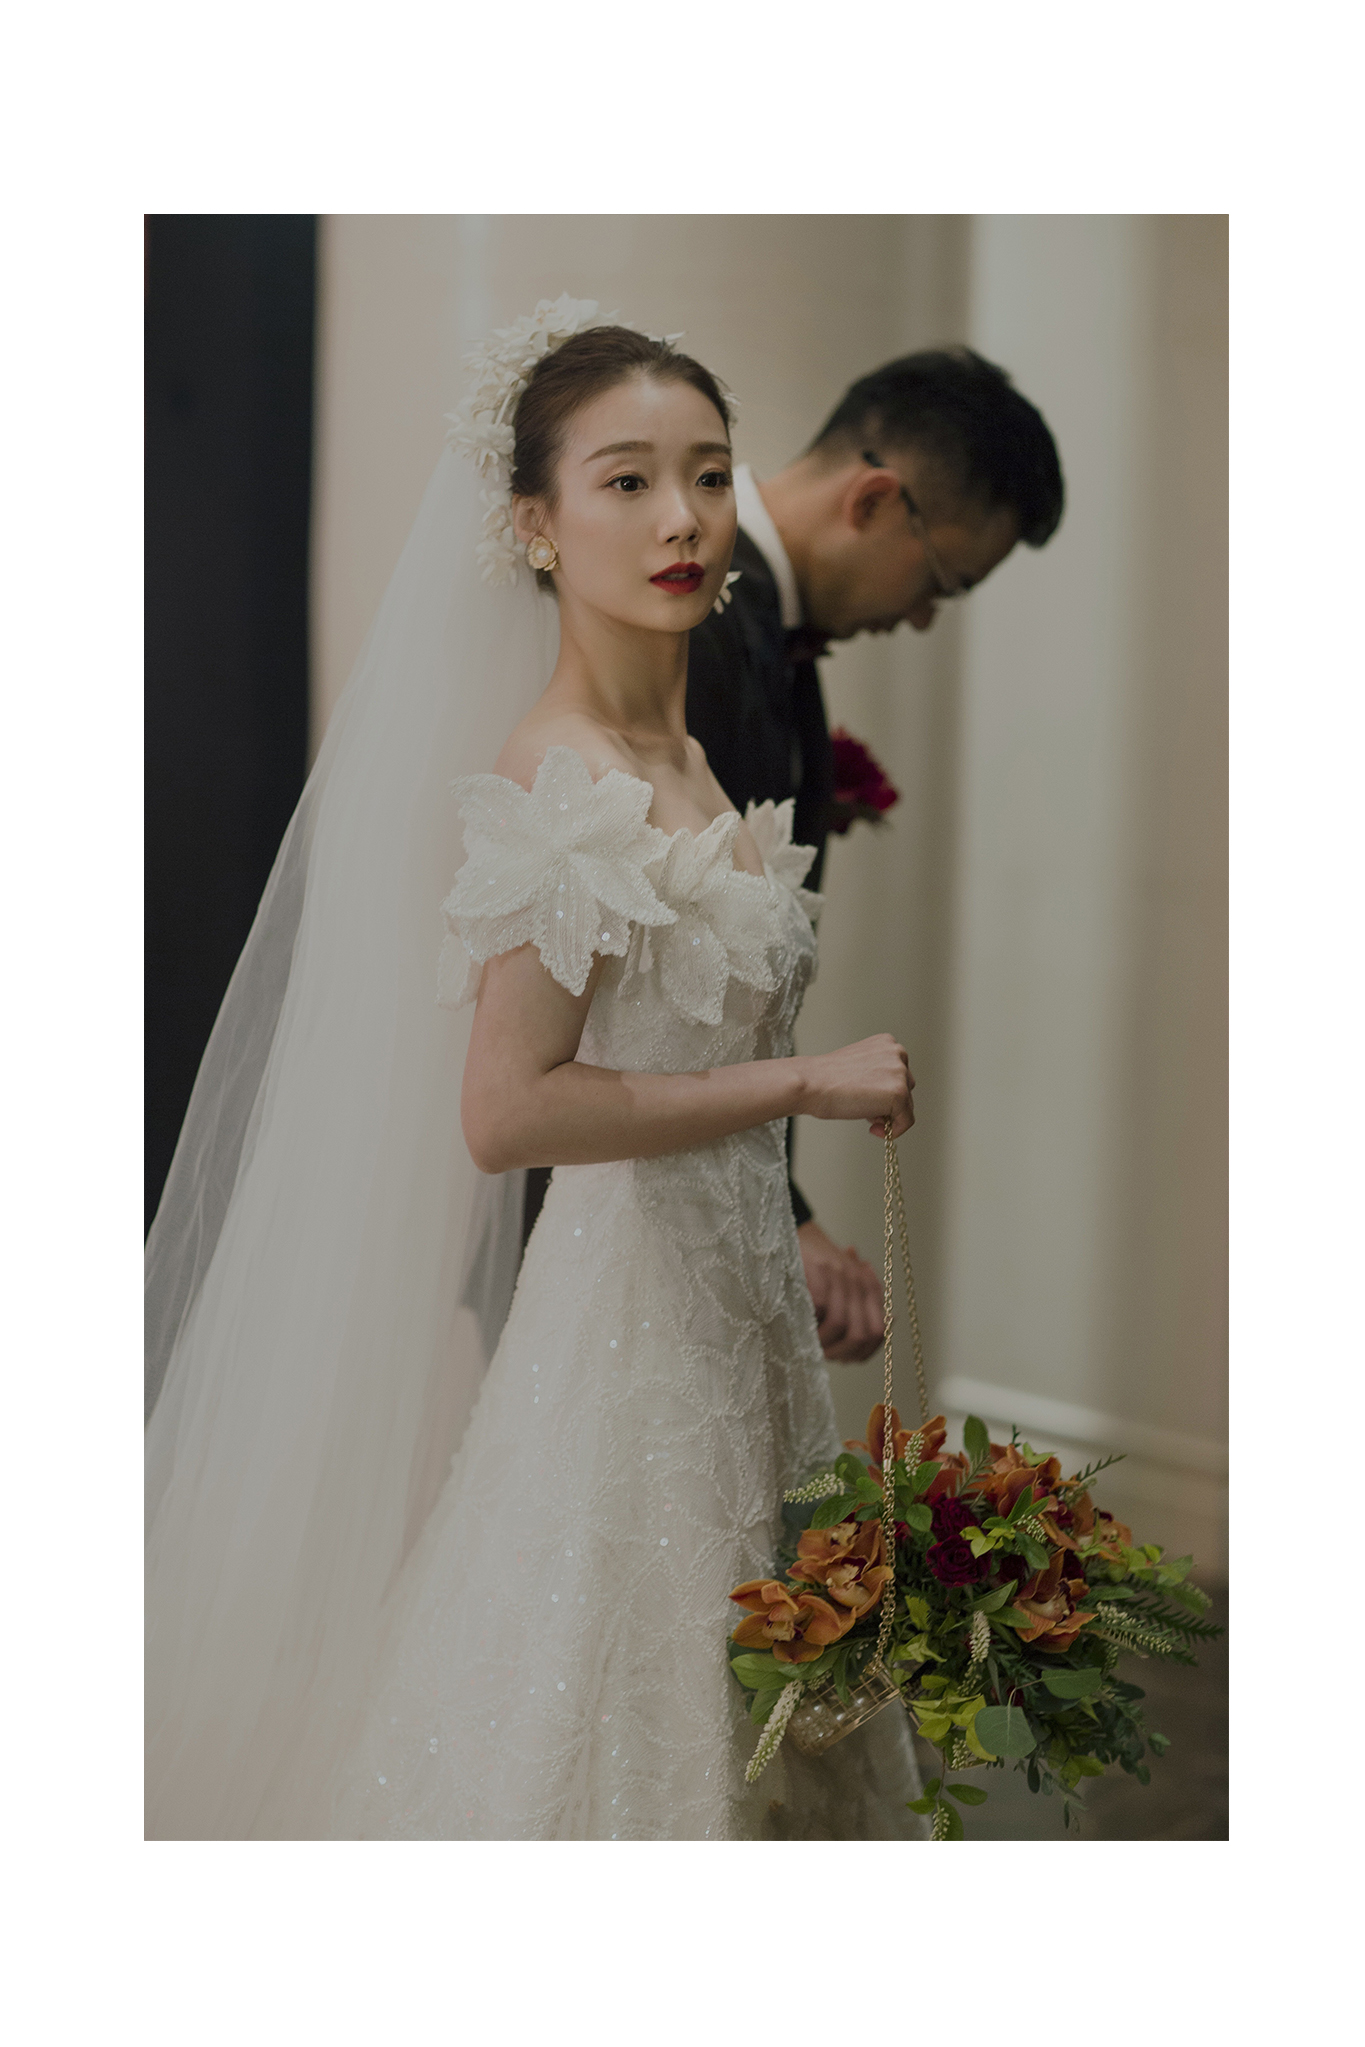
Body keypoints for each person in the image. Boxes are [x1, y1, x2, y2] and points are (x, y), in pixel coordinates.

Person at [145, 299, 927, 1840]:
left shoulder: (686, 755)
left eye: (708, 473)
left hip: (738, 1317)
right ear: (533, 523)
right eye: (626, 479)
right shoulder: (558, 769)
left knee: (758, 1692)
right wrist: (802, 1084)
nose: (682, 516)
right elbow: (508, 1111)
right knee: (616, 1707)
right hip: (629, 1320)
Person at [671, 351, 1064, 1363]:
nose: (923, 617)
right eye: (942, 581)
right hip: (630, 1216)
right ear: (876, 499)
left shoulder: (760, 623)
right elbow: (665, 988)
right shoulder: (691, 617)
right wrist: (784, 1213)